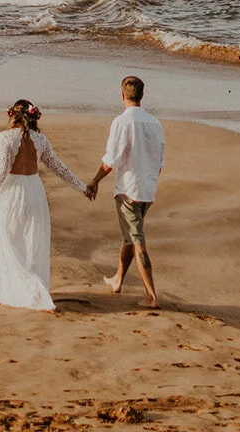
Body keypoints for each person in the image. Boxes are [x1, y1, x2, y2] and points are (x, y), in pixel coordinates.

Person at [0, 97, 88, 311]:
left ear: (12, 115)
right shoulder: (40, 140)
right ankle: (30, 283)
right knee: (32, 240)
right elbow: (58, 167)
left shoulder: (5, 137)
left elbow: (1, 169)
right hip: (35, 191)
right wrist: (82, 187)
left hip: (12, 192)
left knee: (9, 239)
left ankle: (18, 286)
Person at [85, 75, 165, 309]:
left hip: (129, 189)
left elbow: (111, 160)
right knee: (130, 236)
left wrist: (95, 180)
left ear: (122, 96)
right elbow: (160, 161)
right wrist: (150, 182)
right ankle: (118, 278)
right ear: (142, 95)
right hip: (148, 189)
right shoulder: (155, 123)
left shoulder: (121, 122)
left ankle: (151, 296)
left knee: (137, 240)